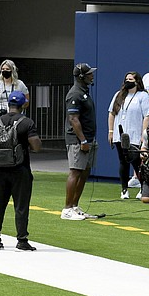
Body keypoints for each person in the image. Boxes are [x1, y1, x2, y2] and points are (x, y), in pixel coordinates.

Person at [0, 91, 41, 251]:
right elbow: (36, 147)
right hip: (20, 169)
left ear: (8, 104)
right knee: (21, 205)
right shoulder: (27, 123)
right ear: (23, 105)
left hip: (0, 170)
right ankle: (22, 240)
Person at [107, 72, 149, 199]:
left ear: (137, 81)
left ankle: (143, 187)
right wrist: (110, 131)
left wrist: (143, 135)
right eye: (126, 79)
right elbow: (111, 113)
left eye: (131, 79)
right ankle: (124, 189)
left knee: (136, 161)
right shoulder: (119, 95)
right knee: (123, 161)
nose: (128, 81)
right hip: (119, 134)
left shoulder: (143, 96)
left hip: (134, 135)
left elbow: (147, 116)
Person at [62, 63, 97, 221]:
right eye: (89, 74)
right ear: (81, 77)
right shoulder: (75, 94)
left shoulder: (84, 92)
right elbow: (73, 119)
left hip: (88, 139)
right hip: (78, 140)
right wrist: (82, 139)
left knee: (84, 172)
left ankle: (75, 206)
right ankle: (67, 209)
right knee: (75, 171)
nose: (92, 75)